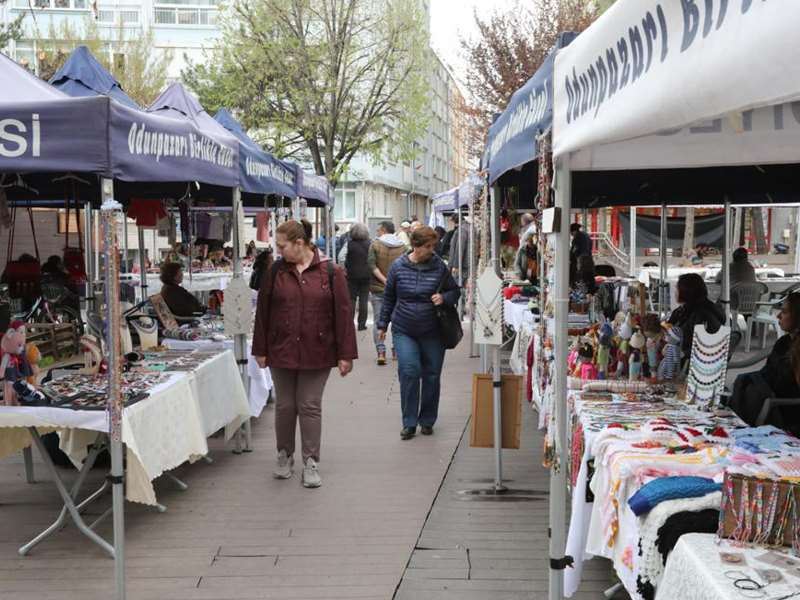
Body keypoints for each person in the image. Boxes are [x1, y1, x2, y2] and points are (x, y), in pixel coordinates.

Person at [252, 219, 357, 488]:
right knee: (286, 406)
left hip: (318, 349)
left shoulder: (331, 271)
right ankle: (284, 455)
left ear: (299, 244)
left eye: (282, 245)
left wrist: (346, 354)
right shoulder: (276, 271)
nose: (278, 251)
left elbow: (344, 315)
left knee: (309, 405)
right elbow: (263, 313)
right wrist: (260, 349)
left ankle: (311, 461)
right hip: (281, 348)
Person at [377, 226, 460, 440]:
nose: (432, 250)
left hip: (433, 330)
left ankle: (427, 420)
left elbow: (454, 291)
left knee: (432, 375)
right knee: (409, 370)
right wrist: (382, 325)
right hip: (404, 328)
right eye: (427, 246)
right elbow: (388, 297)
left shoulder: (439, 267)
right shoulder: (398, 267)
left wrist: (444, 298)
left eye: (433, 246)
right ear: (415, 246)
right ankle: (409, 422)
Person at [729, 293, 800, 431]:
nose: (778, 315)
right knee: (745, 383)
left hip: (783, 409)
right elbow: (769, 371)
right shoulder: (783, 342)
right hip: (769, 399)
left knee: (747, 386)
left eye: (784, 312)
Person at [368, 221, 406, 365]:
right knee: (398, 321)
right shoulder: (402, 246)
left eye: (378, 230)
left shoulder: (375, 245)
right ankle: (396, 350)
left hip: (378, 288)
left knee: (378, 322)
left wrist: (384, 280)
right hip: (398, 289)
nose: (377, 232)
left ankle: (381, 352)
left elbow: (371, 266)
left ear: (383, 230)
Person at [667, 273, 725, 357]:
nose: (675, 292)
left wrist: (683, 353)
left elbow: (705, 344)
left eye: (677, 289)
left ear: (686, 291)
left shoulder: (701, 314)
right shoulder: (689, 308)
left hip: (688, 360)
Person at [343, 223, 371, 331]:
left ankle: (350, 324)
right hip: (366, 275)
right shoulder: (370, 244)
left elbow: (341, 257)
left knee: (351, 298)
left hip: (352, 275)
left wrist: (344, 269)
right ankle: (361, 324)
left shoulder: (349, 244)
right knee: (364, 299)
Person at [449, 213, 470, 285]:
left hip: (462, 265)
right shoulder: (468, 227)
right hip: (466, 263)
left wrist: (456, 265)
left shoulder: (462, 230)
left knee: (458, 286)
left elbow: (460, 248)